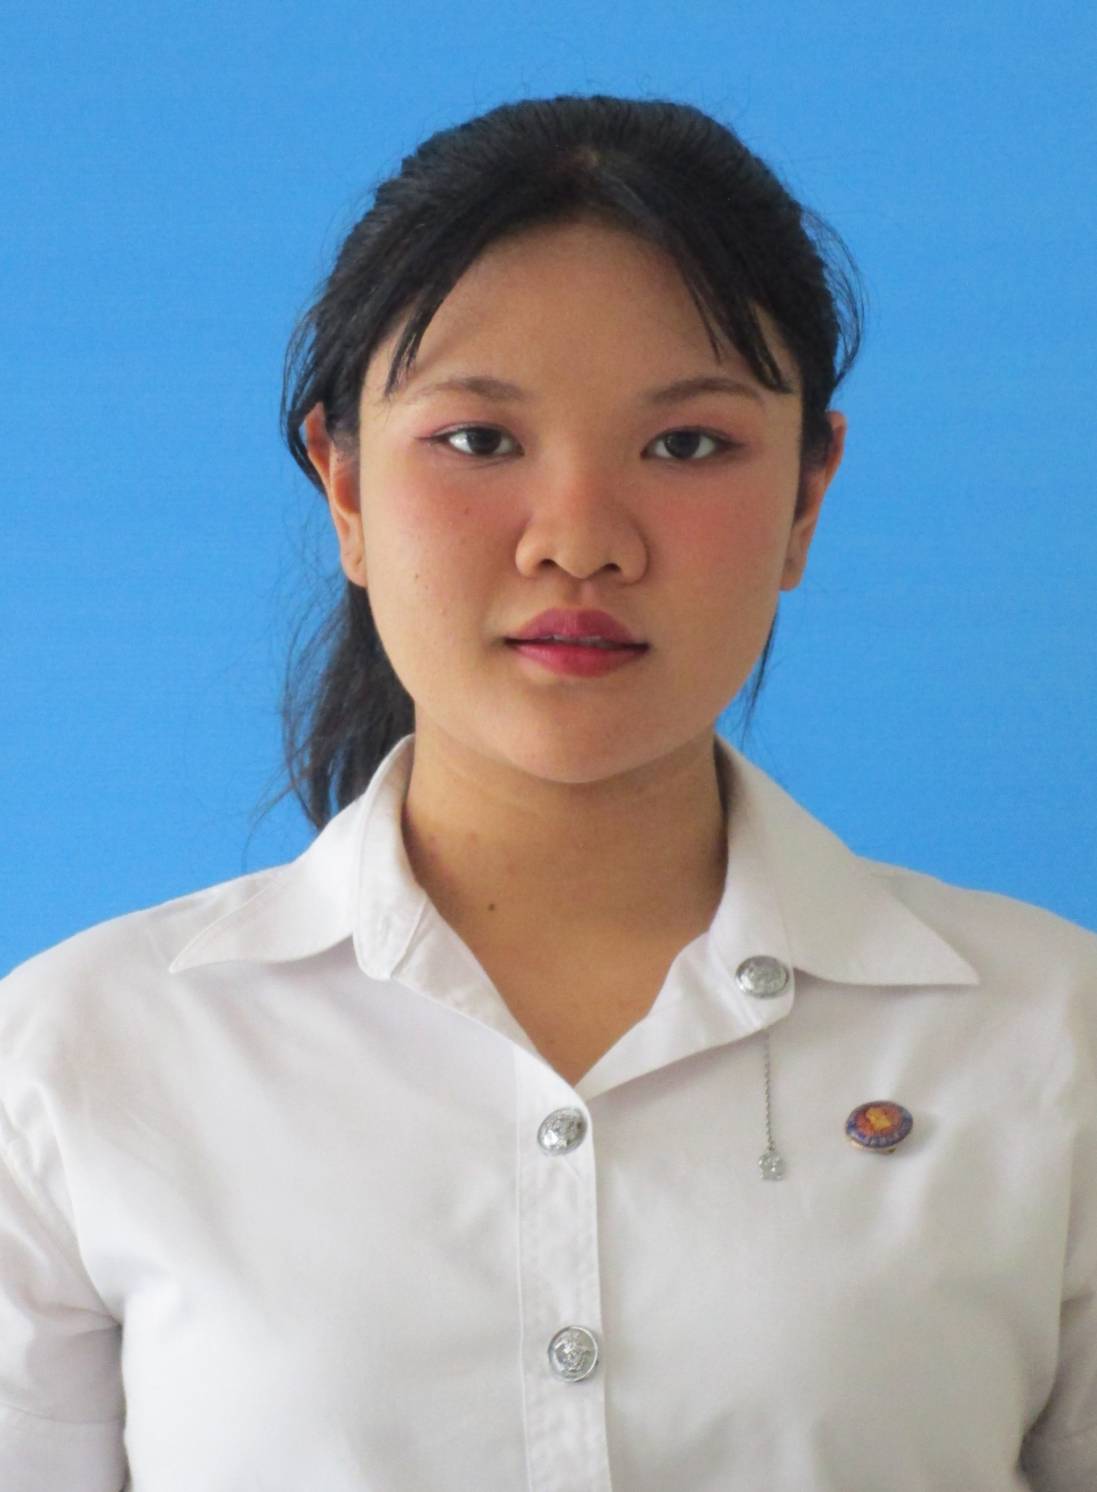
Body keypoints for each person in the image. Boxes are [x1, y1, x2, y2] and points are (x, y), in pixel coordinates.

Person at [0, 92, 1094, 1492]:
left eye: (687, 445)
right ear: (343, 486)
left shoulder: (1052, 1041)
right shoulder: (80, 1060)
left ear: (807, 496)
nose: (578, 540)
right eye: (478, 440)